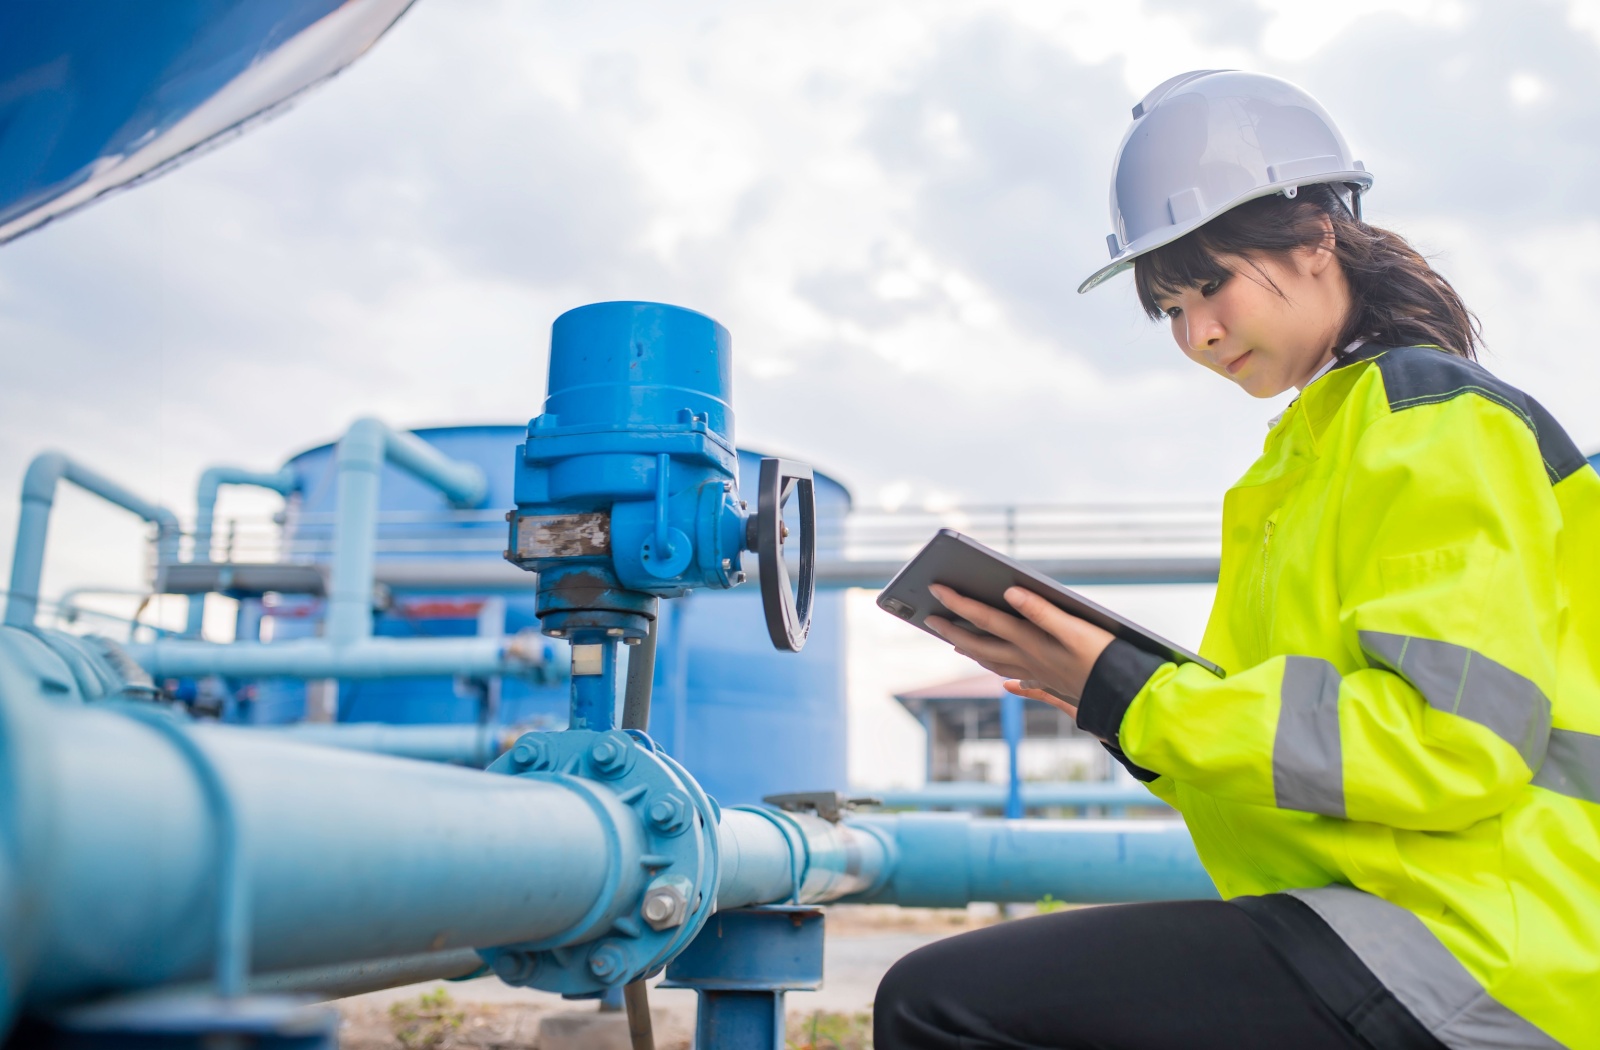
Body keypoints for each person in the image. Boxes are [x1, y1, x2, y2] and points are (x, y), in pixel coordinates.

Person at [873, 70, 1600, 1050]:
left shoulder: (1430, 420)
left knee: (938, 1004)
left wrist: (1143, 697)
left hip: (1479, 945)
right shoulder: (1310, 456)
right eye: (1168, 309)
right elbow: (1301, 762)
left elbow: (1447, 747)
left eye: (1208, 283)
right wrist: (1113, 702)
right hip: (1408, 919)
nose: (1197, 334)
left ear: (1312, 239)